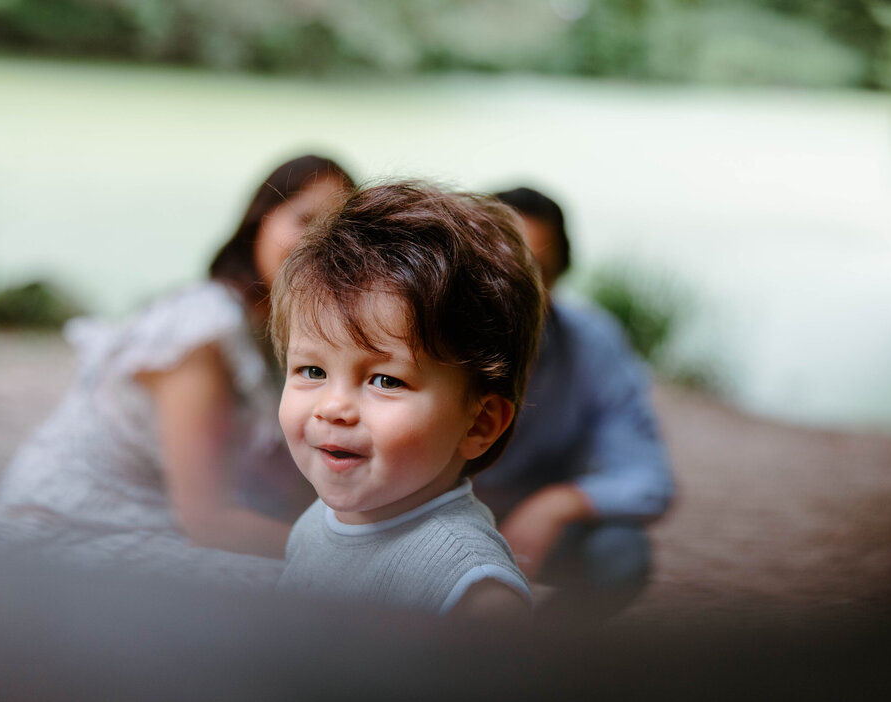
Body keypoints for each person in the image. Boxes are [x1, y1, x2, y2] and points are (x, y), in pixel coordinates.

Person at [0, 154, 354, 587]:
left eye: (338, 233)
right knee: (299, 591)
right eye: (305, 220)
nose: (317, 245)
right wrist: (352, 557)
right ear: (261, 222)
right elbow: (208, 522)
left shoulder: (289, 334)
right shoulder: (203, 333)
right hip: (60, 539)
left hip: (157, 526)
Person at [269, 182, 546, 618]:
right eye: (313, 371)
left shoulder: (468, 588)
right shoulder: (316, 524)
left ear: (479, 424)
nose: (333, 407)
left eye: (385, 380)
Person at [472, 186, 675, 621]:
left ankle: (541, 652)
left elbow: (647, 475)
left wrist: (555, 504)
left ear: (561, 275)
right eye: (498, 267)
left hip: (522, 516)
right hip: (420, 510)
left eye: (535, 271)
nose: (514, 290)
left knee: (620, 553)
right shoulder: (421, 333)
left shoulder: (593, 342)